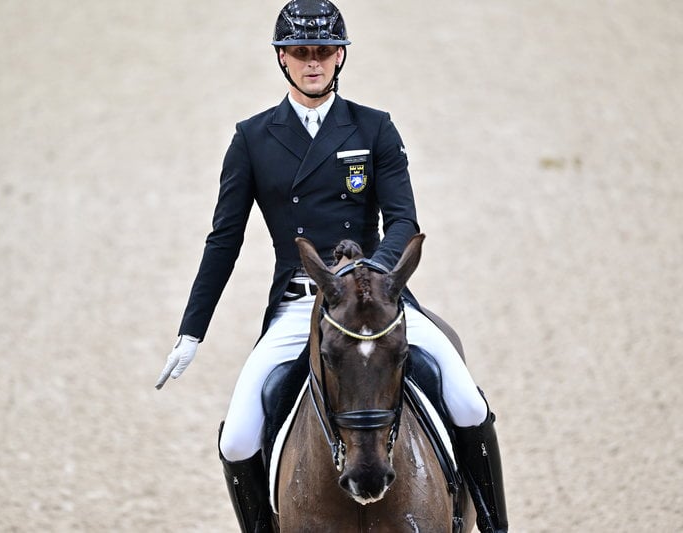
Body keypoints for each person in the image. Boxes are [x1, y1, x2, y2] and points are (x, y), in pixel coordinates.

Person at [156, 1, 508, 531]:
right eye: (300, 52)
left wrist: (370, 277)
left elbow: (403, 222)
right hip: (301, 305)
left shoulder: (375, 128)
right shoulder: (251, 139)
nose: (312, 61)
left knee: (467, 402)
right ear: (282, 59)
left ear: (340, 55)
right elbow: (224, 239)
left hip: (376, 300)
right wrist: (191, 331)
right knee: (238, 437)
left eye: (323, 51)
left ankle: (494, 525)